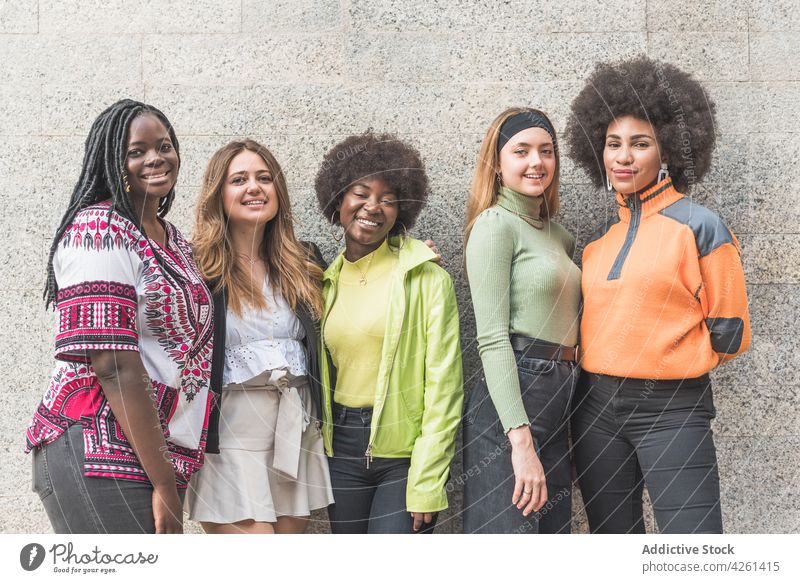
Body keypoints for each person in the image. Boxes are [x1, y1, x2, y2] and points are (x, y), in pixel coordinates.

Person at [565, 56, 751, 534]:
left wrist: (670, 361)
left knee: (693, 549)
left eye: (639, 144)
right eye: (613, 144)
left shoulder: (700, 227)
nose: (623, 157)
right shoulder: (597, 248)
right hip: (595, 413)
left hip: (674, 411)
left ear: (665, 150)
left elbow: (729, 333)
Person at [26, 99, 214, 534]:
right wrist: (165, 485)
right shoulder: (99, 229)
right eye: (137, 150)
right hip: (96, 444)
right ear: (113, 159)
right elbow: (112, 366)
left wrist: (169, 475)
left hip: (147, 450)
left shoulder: (175, 241)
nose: (155, 158)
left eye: (165, 145)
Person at [314, 131, 463, 534]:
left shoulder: (427, 279)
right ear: (338, 200)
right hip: (339, 452)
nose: (373, 207)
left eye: (388, 199)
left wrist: (428, 478)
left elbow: (444, 389)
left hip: (404, 457)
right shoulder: (320, 284)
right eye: (360, 193)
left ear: (403, 211)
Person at [186, 139, 333, 533]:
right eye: (239, 179)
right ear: (219, 194)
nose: (254, 187)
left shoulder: (305, 262)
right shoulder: (196, 266)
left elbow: (363, 290)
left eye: (264, 178)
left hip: (295, 425)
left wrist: (410, 257)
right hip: (230, 433)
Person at [461, 108, 582, 533]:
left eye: (546, 151)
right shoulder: (495, 224)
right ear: (498, 163)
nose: (537, 162)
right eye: (522, 151)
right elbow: (492, 340)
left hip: (560, 395)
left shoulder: (558, 235)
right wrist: (521, 441)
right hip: (513, 401)